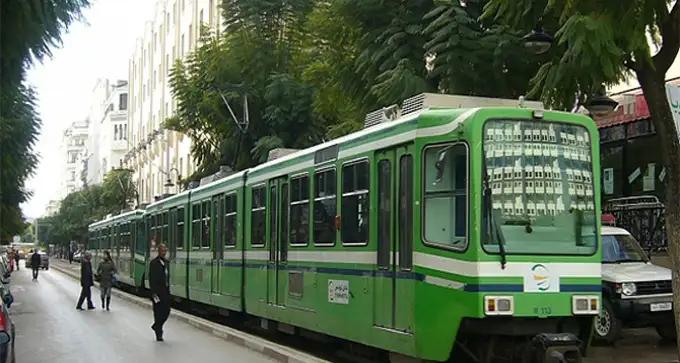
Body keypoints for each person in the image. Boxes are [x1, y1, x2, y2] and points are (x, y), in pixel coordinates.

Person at [149, 243, 170, 341]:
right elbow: (151, 278)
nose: (164, 252)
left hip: (165, 291)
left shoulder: (166, 262)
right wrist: (153, 293)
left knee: (166, 311)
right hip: (157, 293)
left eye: (165, 251)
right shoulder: (154, 263)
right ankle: (159, 334)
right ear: (159, 251)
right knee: (158, 313)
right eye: (162, 251)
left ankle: (156, 326)